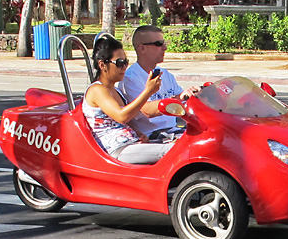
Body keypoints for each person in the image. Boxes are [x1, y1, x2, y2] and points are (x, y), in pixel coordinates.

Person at [84, 36, 175, 164]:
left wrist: (139, 133)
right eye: (120, 63)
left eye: (126, 63)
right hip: (115, 149)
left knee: (181, 143)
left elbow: (127, 120)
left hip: (130, 143)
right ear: (102, 65)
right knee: (172, 151)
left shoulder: (115, 91)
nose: (124, 68)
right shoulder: (97, 90)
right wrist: (148, 91)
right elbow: (121, 116)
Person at [118, 25, 201, 140]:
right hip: (153, 135)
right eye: (159, 44)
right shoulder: (131, 78)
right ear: (142, 49)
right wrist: (179, 98)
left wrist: (194, 96)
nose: (165, 47)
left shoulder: (165, 74)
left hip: (174, 130)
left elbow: (181, 100)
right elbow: (146, 110)